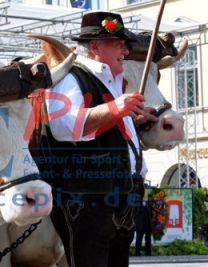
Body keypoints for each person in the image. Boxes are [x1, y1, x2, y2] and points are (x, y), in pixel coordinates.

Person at [38, 11, 158, 267]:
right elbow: (63, 126)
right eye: (120, 44)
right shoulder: (72, 78)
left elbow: (107, 122)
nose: (126, 51)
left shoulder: (111, 81)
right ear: (94, 46)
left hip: (120, 193)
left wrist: (133, 118)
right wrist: (115, 109)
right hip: (87, 198)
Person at [135, 190, 152, 256]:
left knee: (148, 240)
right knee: (139, 239)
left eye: (146, 195)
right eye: (144, 195)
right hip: (140, 224)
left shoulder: (149, 204)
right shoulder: (137, 203)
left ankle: (148, 253)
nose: (145, 196)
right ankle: (137, 253)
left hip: (148, 224)